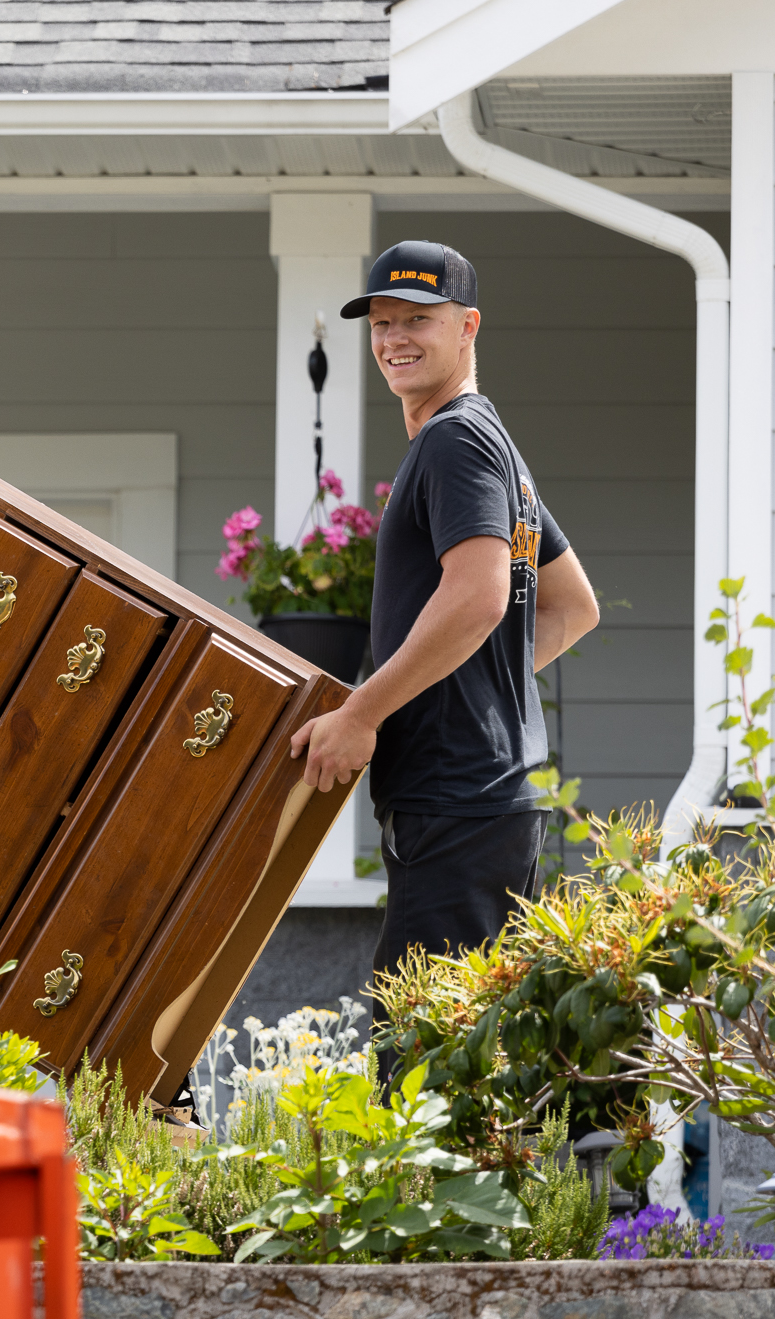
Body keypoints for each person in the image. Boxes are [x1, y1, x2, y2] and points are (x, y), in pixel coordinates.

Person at [288, 240, 601, 981]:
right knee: (469, 1034)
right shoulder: (489, 442)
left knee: (420, 1037)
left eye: (417, 319)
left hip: (455, 800)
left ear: (468, 326)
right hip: (490, 799)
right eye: (381, 323)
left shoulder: (454, 441)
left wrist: (364, 713)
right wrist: (462, 687)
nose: (394, 339)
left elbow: (479, 597)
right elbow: (572, 607)